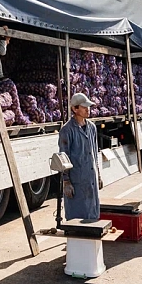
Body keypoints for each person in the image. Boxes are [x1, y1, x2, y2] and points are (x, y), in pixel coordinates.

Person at [58, 93, 102, 221]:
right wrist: (66, 181)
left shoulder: (92, 127)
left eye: (88, 107)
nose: (87, 110)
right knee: (76, 218)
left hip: (90, 179)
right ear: (75, 109)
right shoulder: (67, 130)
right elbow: (63, 157)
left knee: (92, 217)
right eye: (84, 107)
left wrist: (98, 174)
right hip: (76, 180)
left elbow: (94, 152)